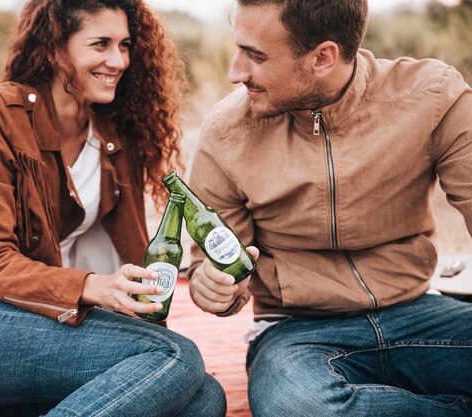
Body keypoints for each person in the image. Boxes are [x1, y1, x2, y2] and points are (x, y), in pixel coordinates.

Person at [0, 1, 227, 416]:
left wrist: (141, 330)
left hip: (42, 323)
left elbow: (132, 247)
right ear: (56, 47)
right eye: (101, 44)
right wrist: (93, 287)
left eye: (125, 45)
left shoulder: (115, 131)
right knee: (177, 358)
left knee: (203, 398)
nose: (118, 60)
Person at [186, 0, 472, 416]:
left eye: (256, 55)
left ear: (323, 57)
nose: (236, 72)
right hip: (297, 334)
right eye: (238, 49)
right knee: (298, 405)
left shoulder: (433, 96)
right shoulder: (225, 134)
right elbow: (211, 270)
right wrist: (212, 287)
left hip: (421, 314)